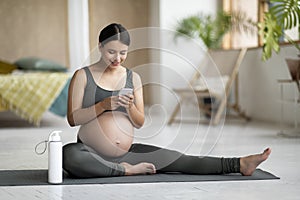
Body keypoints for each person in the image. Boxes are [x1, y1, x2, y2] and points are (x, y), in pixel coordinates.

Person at [63, 23, 271, 178]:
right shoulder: (83, 76)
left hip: (126, 152)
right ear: (100, 47)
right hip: (90, 152)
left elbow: (139, 121)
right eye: (111, 52)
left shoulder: (132, 78)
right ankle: (125, 171)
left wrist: (130, 107)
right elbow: (73, 118)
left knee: (179, 159)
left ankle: (240, 164)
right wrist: (103, 105)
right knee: (69, 155)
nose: (117, 58)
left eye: (123, 53)